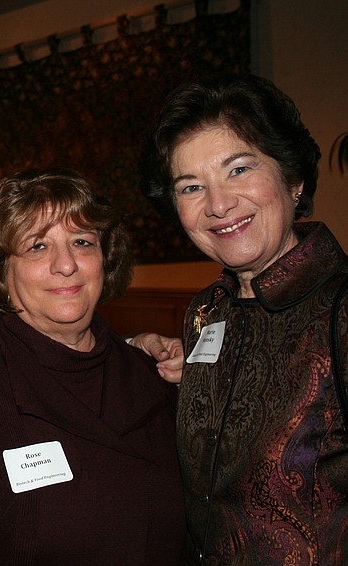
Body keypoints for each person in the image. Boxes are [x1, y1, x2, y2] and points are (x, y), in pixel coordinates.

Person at [0, 168, 186, 565]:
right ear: (2, 270)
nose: (66, 265)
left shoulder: (155, 378)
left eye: (82, 242)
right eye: (37, 247)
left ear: (105, 258)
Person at [141, 74, 348, 564]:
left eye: (239, 169)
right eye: (191, 186)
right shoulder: (206, 311)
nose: (218, 204)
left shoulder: (340, 309)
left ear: (294, 179)